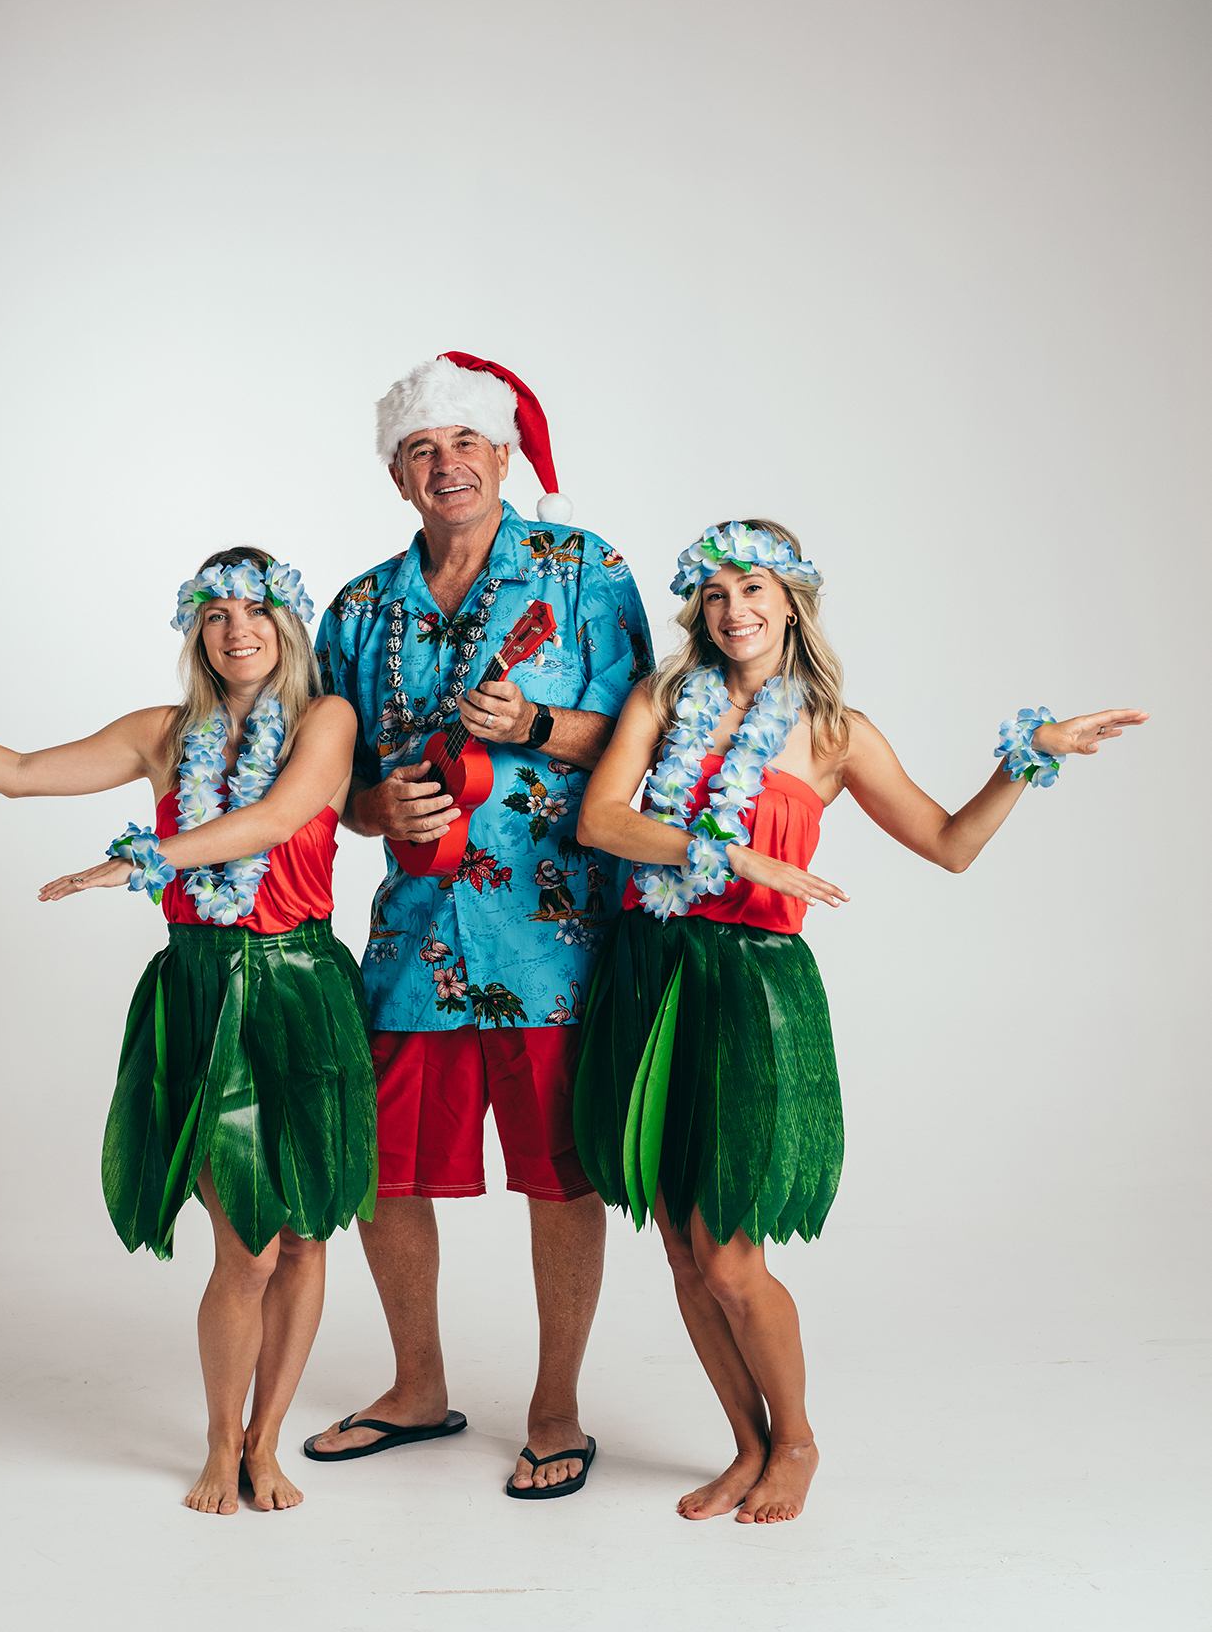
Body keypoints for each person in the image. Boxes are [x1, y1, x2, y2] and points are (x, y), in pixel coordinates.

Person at [574, 519, 1147, 1524]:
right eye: (715, 595)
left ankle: (795, 1440)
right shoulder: (663, 701)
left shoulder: (837, 734)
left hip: (750, 991)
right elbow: (603, 821)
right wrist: (730, 855)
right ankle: (745, 1446)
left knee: (729, 1254)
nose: (735, 611)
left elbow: (950, 843)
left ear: (793, 602)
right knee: (675, 1243)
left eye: (755, 590)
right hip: (647, 976)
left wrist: (1031, 756)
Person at [0, 547, 374, 1518]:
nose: (238, 631)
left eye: (256, 612)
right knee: (249, 1247)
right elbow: (23, 773)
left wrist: (138, 863)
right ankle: (218, 1442)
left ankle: (268, 1443)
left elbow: (277, 818)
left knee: (305, 1236)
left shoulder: (328, 720)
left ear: (287, 626)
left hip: (300, 985)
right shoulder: (160, 733)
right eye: (217, 614)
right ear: (196, 631)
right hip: (201, 988)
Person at [308, 353, 653, 1498]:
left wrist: (546, 721)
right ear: (397, 476)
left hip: (552, 939)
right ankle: (417, 1386)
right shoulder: (359, 610)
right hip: (415, 935)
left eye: (466, 444)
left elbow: (654, 742)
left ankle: (556, 1408)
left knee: (562, 1175)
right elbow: (329, 787)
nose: (446, 465)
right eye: (421, 450)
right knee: (380, 1171)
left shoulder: (587, 570)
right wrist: (374, 805)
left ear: (504, 457)